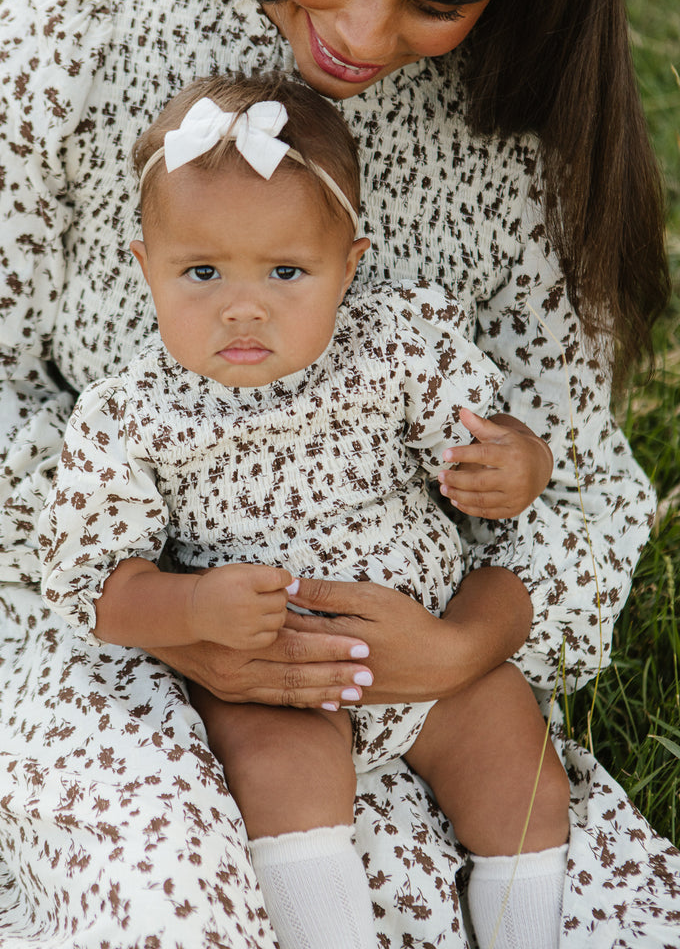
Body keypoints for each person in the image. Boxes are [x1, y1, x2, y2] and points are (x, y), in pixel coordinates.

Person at [0, 0, 676, 947]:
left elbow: (573, 484)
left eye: (440, 4)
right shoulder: (77, 37)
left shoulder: (514, 136)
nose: (359, 32)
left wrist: (459, 647)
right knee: (170, 896)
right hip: (88, 635)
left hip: (414, 665)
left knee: (480, 890)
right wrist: (179, 616)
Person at [40, 72, 568, 949]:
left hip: (432, 643)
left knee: (523, 777)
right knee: (281, 778)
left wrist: (518, 463)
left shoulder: (393, 345)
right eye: (201, 272)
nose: (243, 306)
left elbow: (487, 436)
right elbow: (94, 585)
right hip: (270, 671)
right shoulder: (131, 414)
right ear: (145, 268)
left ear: (349, 266)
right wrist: (193, 607)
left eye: (287, 271)